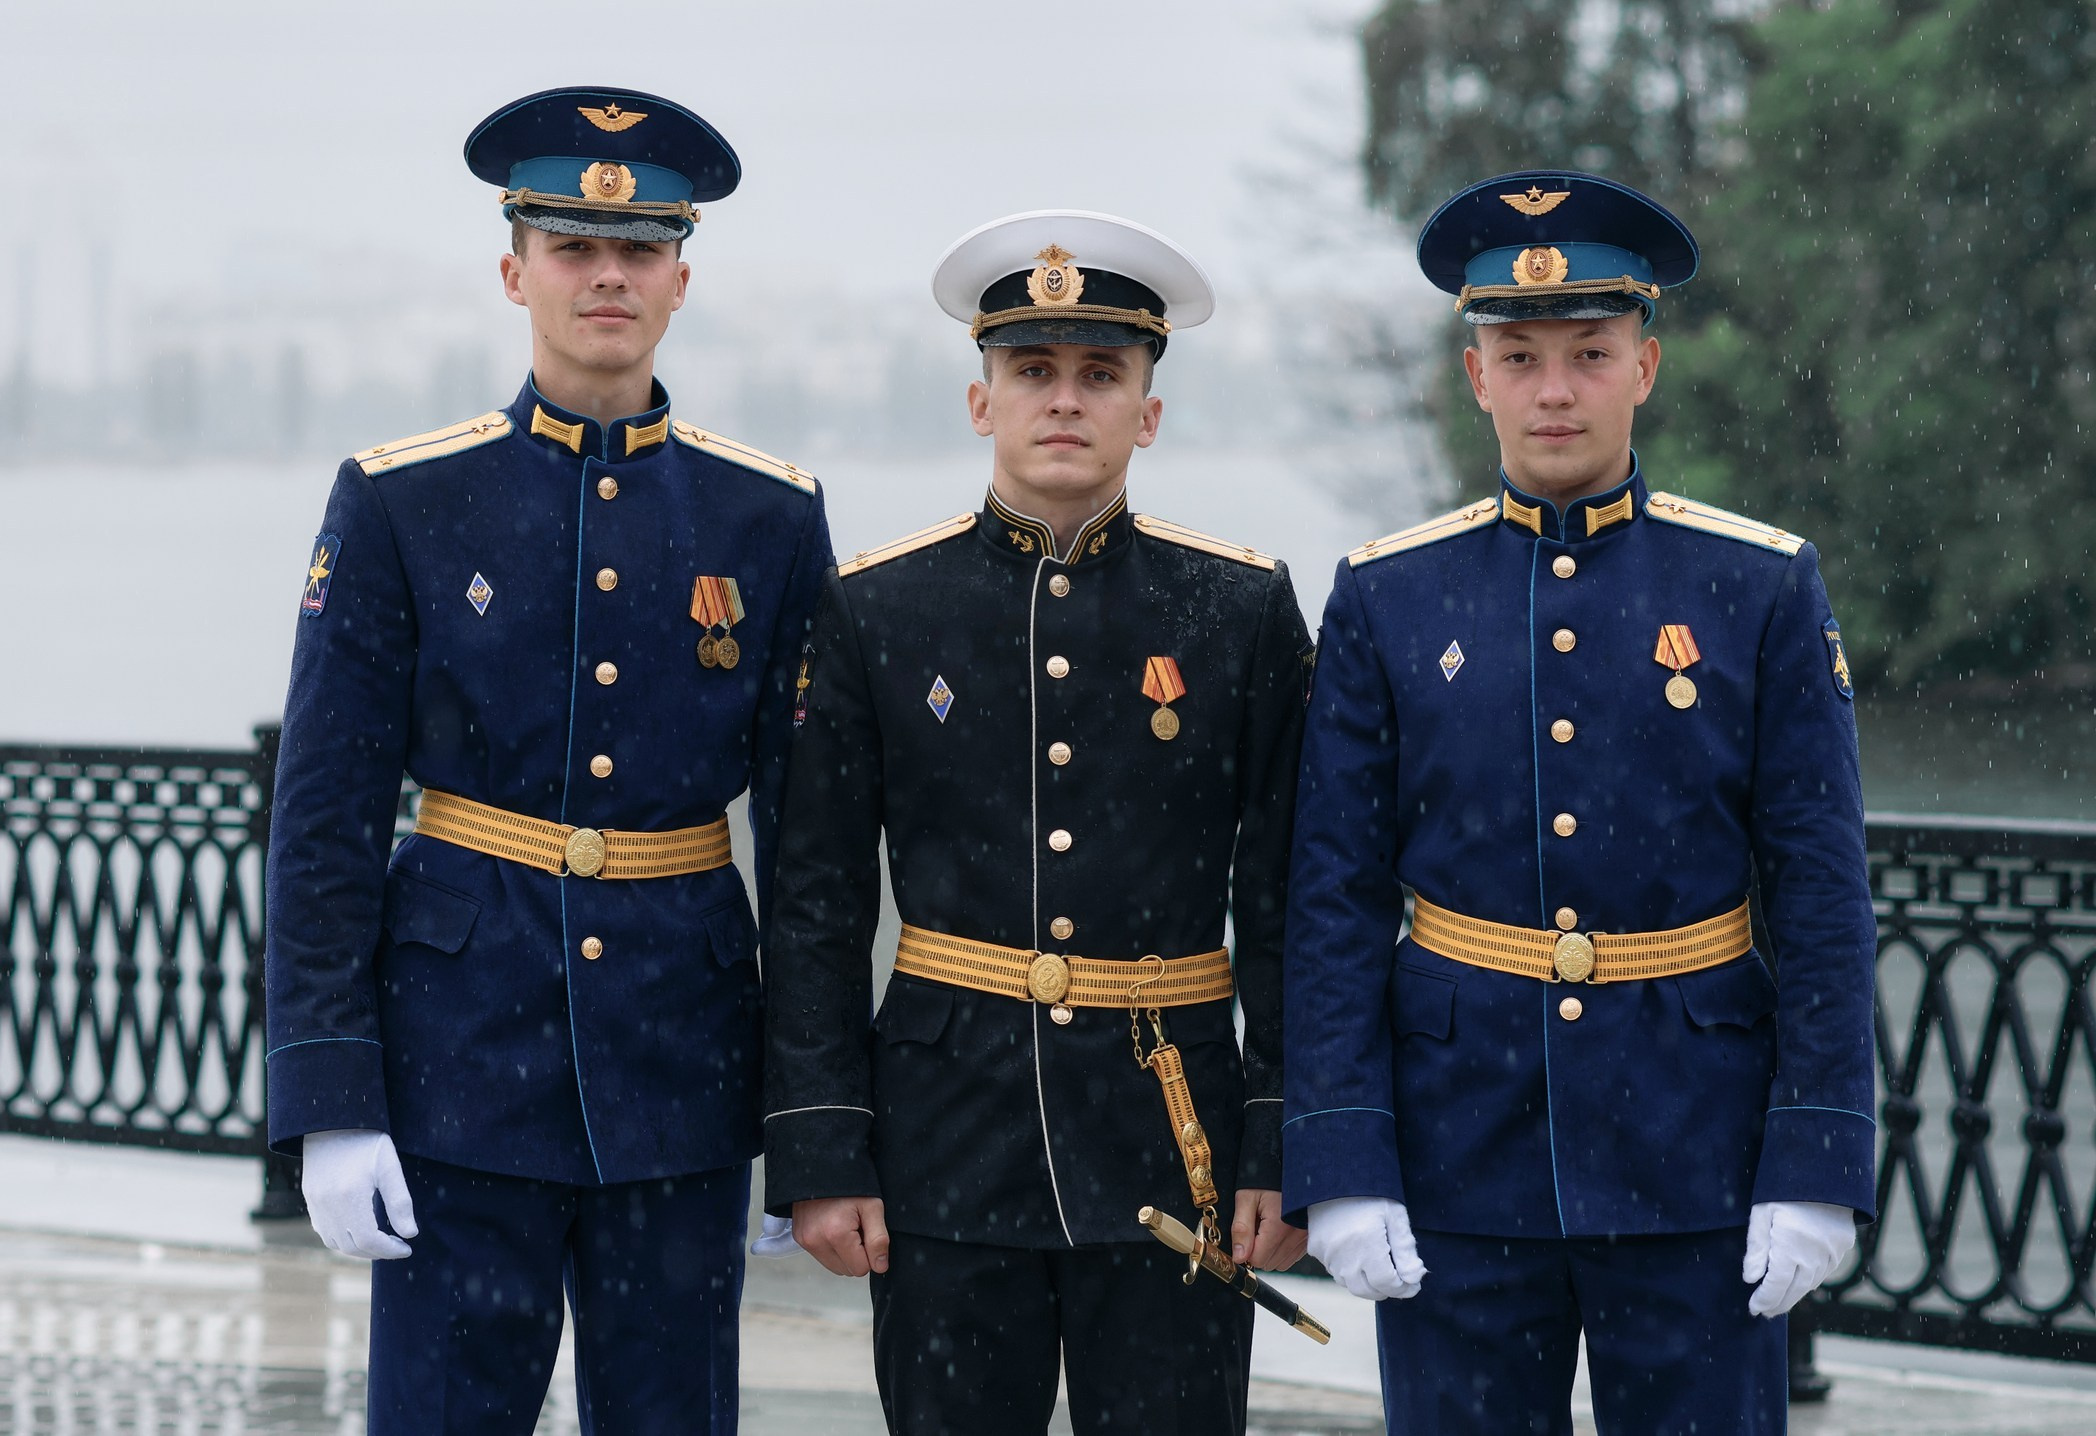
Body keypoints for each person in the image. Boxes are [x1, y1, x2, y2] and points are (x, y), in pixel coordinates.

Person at [262, 86, 831, 1433]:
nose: (607, 275)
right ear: (513, 268)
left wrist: (810, 1124)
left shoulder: (767, 515)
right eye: (573, 246)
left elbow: (811, 856)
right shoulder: (405, 498)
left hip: (680, 1069)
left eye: (638, 252)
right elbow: (326, 817)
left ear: (683, 278)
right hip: (458, 1063)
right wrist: (329, 1097)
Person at [1282, 170, 1877, 1433]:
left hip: (1696, 1148)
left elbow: (1821, 891)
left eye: (1590, 353)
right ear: (1475, 374)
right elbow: (1331, 894)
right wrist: (1340, 1155)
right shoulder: (1388, 595)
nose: (1556, 387)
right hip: (1455, 1152)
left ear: (1644, 367)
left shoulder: (1755, 586)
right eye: (1521, 353)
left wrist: (1817, 1157)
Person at [760, 210, 1312, 1435]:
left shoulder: (1238, 610)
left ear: (1148, 414)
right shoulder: (880, 609)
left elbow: (1286, 898)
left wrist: (1284, 1136)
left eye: (1100, 375)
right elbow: (816, 899)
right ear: (980, 401)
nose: (1065, 400)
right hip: (946, 1139)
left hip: (1175, 1145)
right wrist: (822, 1149)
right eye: (1033, 372)